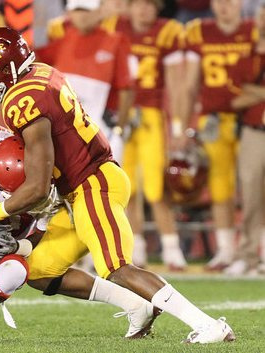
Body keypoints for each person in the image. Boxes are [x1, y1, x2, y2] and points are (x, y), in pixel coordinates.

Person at [0, 27, 235, 344]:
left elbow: (37, 186)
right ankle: (137, 307)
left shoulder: (22, 100)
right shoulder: (40, 71)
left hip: (93, 184)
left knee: (116, 266)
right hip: (80, 189)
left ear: (3, 68)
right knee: (39, 269)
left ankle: (208, 325)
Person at [0, 124, 160, 341]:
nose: (13, 198)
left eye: (21, 192)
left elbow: (35, 238)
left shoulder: (43, 184)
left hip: (0, 250)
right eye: (7, 191)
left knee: (18, 271)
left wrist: (14, 247)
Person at [106, 0, 188, 269]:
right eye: (137, 4)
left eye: (149, 5)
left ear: (158, 8)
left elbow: (176, 85)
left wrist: (177, 126)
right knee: (127, 186)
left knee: (155, 187)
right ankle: (136, 247)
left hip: (150, 115)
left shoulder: (167, 32)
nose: (143, 10)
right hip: (122, 115)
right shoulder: (116, 25)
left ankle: (172, 248)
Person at [183, 0, 258, 270]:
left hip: (250, 119)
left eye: (230, 1)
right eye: (219, 1)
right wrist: (182, 125)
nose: (225, 6)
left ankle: (254, 249)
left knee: (254, 187)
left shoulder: (254, 30)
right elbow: (190, 85)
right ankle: (227, 250)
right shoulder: (198, 31)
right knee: (220, 187)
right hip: (214, 119)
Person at [38, 0, 132, 163]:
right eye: (77, 10)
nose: (82, 16)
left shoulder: (116, 41)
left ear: (99, 12)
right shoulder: (62, 39)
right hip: (64, 130)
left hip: (102, 129)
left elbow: (127, 89)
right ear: (70, 13)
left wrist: (119, 131)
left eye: (87, 10)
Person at [225, 1, 265, 275]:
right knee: (250, 196)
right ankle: (248, 255)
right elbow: (234, 99)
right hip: (254, 132)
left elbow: (245, 93)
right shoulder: (246, 56)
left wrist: (256, 92)